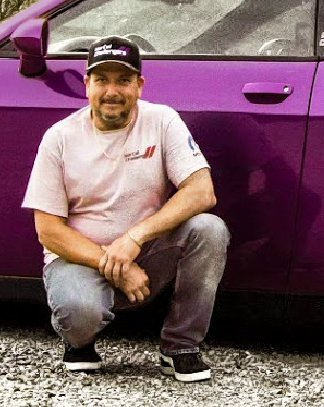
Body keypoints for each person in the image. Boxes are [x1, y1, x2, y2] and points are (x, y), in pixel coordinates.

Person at [21, 35, 229, 382]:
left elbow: (202, 191)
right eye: (102, 80)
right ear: (87, 84)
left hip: (148, 253)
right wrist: (112, 261)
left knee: (209, 229)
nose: (112, 91)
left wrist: (134, 238)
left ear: (140, 85)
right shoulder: (58, 137)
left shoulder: (162, 121)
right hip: (79, 259)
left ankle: (181, 346)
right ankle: (80, 343)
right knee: (80, 314)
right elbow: (49, 231)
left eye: (123, 80)